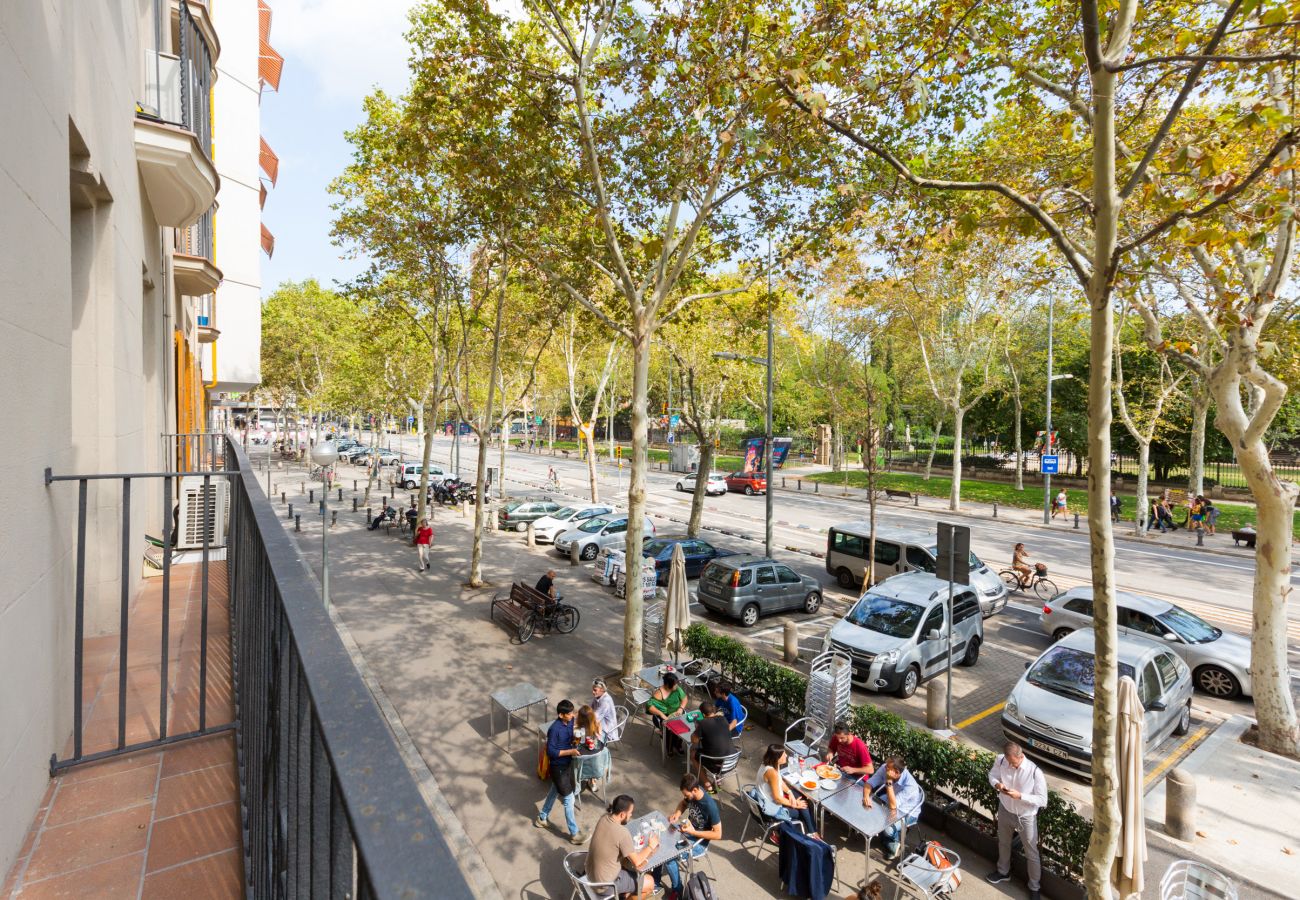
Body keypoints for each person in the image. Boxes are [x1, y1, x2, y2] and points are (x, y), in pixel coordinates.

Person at [986, 741, 1048, 900]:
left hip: (1026, 817)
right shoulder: (1001, 760)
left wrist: (1020, 796)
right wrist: (997, 784)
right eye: (1008, 763)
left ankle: (1035, 887)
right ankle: (1002, 872)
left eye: (1013, 763)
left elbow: (1043, 800)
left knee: (1031, 852)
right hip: (1005, 809)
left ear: (1021, 757)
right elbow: (992, 775)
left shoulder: (1035, 772)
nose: (1010, 766)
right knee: (1004, 842)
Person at [657, 774, 722, 898]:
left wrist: (693, 832)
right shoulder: (692, 795)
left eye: (687, 795)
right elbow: (683, 804)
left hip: (699, 842)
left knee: (669, 857)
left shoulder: (710, 806)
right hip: (687, 831)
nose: (686, 797)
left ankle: (677, 890)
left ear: (695, 790)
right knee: (660, 840)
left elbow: (718, 834)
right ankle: (655, 882)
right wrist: (676, 814)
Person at [535, 700, 587, 844]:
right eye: (569, 714)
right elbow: (551, 752)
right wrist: (571, 751)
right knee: (569, 800)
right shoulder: (554, 729)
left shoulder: (570, 721)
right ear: (561, 715)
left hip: (566, 764)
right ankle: (574, 834)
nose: (572, 715)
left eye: (572, 712)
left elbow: (576, 719)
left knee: (553, 790)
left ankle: (542, 817)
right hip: (558, 768)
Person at [587, 795, 659, 899]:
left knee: (626, 862)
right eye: (630, 813)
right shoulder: (622, 833)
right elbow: (637, 862)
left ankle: (625, 893)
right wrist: (651, 846)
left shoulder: (604, 817)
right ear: (622, 814)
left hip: (590, 875)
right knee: (650, 883)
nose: (631, 815)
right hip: (604, 886)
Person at [861, 755, 922, 859]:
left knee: (887, 829)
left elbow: (893, 806)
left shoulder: (910, 786)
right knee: (867, 806)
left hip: (906, 811)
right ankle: (888, 836)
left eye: (887, 769)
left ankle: (894, 843)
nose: (884, 768)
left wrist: (889, 781)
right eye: (886, 766)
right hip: (889, 800)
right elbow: (869, 783)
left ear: (897, 772)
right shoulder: (886, 767)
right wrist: (866, 796)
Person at [756, 744, 818, 838]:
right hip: (773, 808)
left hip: (767, 800)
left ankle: (812, 832)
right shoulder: (771, 772)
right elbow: (777, 799)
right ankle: (811, 833)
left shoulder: (768, 764)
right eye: (783, 754)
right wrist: (794, 804)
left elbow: (780, 781)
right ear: (777, 758)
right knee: (803, 807)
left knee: (800, 796)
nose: (786, 755)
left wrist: (790, 793)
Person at [690, 701, 734, 792]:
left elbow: (694, 740)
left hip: (716, 763)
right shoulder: (723, 719)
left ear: (702, 714)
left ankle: (707, 784)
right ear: (714, 710)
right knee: (717, 748)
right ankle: (718, 780)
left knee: (693, 753)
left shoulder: (702, 723)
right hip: (731, 761)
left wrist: (697, 728)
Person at [647, 673, 688, 756]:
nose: (676, 686)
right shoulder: (659, 693)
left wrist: (680, 709)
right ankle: (669, 748)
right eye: (674, 685)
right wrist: (662, 715)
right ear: (667, 685)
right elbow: (649, 706)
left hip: (677, 713)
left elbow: (685, 699)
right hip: (662, 716)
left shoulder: (677, 689)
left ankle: (678, 745)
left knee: (683, 726)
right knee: (670, 729)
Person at [575, 704, 608, 790]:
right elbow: (602, 740)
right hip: (596, 767)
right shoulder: (597, 726)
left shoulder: (578, 730)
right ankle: (593, 781)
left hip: (581, 769)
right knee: (594, 757)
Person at [591, 678, 620, 742]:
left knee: (584, 731)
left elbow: (595, 717)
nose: (593, 692)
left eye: (595, 690)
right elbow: (590, 708)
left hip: (607, 729)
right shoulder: (597, 696)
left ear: (602, 690)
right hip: (600, 721)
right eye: (593, 689)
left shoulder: (605, 701)